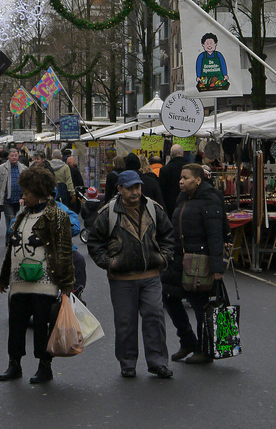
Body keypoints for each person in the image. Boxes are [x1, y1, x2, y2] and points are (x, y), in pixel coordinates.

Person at [88, 169, 175, 379]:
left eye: (137, 187)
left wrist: (164, 258)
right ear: (120, 189)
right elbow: (94, 242)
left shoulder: (153, 209)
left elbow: (168, 236)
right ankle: (127, 363)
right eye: (130, 188)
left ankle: (158, 363)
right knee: (125, 322)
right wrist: (110, 263)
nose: (135, 192)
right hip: (122, 279)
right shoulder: (108, 212)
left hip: (151, 274)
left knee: (155, 317)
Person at [0, 166, 75, 384]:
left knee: (42, 327)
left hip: (45, 283)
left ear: (38, 191)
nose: (23, 197)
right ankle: (15, 364)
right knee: (16, 325)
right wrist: (4, 279)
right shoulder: (22, 215)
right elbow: (11, 248)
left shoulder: (56, 216)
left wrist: (67, 283)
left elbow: (64, 250)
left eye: (26, 192)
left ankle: (44, 366)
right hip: (18, 282)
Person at [163, 163, 228, 365]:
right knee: (169, 297)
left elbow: (215, 235)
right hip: (178, 259)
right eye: (180, 178)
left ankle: (204, 349)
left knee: (201, 305)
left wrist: (217, 268)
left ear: (198, 180)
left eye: (186, 178)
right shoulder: (182, 198)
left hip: (200, 261)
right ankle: (188, 341)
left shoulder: (210, 200)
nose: (181, 181)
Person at [159, 145, 186, 217]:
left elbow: (162, 190)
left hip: (170, 206)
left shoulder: (164, 170)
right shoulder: (190, 168)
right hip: (187, 202)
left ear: (171, 155)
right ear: (182, 153)